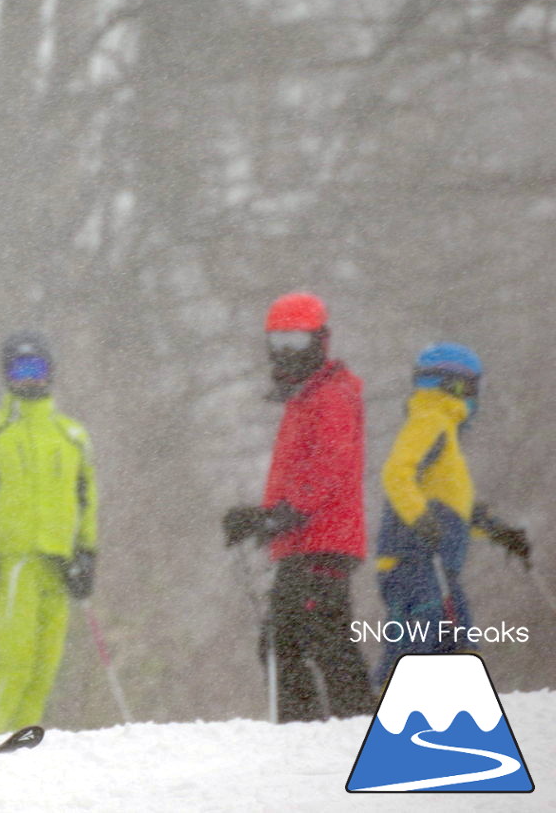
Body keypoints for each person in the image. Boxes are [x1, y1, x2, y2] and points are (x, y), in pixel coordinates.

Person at [222, 292, 373, 722]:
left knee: (314, 638)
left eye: (297, 341)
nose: (287, 353)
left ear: (320, 341)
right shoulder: (304, 398)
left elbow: (330, 464)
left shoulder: (331, 396)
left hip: (322, 541)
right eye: (279, 342)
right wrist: (262, 517)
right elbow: (303, 473)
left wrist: (282, 515)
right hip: (303, 540)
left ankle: (348, 726)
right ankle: (307, 728)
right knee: (286, 641)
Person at [0, 332, 96, 743]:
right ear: (7, 376)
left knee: (44, 666)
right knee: (16, 659)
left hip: (60, 561)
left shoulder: (71, 435)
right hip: (11, 560)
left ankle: (20, 744)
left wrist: (88, 553)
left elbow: (87, 500)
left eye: (38, 370)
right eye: (21, 370)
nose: (30, 379)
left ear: (51, 374)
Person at [373, 342, 530, 686]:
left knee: (456, 639)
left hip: (437, 564)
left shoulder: (443, 430)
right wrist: (420, 520)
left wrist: (499, 532)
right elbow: (397, 473)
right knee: (419, 635)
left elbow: (456, 509)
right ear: (460, 386)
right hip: (412, 560)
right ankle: (387, 702)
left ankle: (445, 712)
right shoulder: (431, 420)